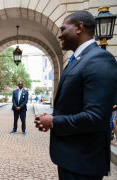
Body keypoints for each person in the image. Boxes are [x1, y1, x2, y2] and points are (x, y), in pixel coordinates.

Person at [34, 11, 117, 179]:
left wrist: (54, 122)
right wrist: (52, 117)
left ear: (79, 27)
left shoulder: (99, 58)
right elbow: (76, 104)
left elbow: (95, 117)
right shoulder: (79, 59)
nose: (59, 34)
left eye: (63, 29)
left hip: (84, 163)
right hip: (70, 159)